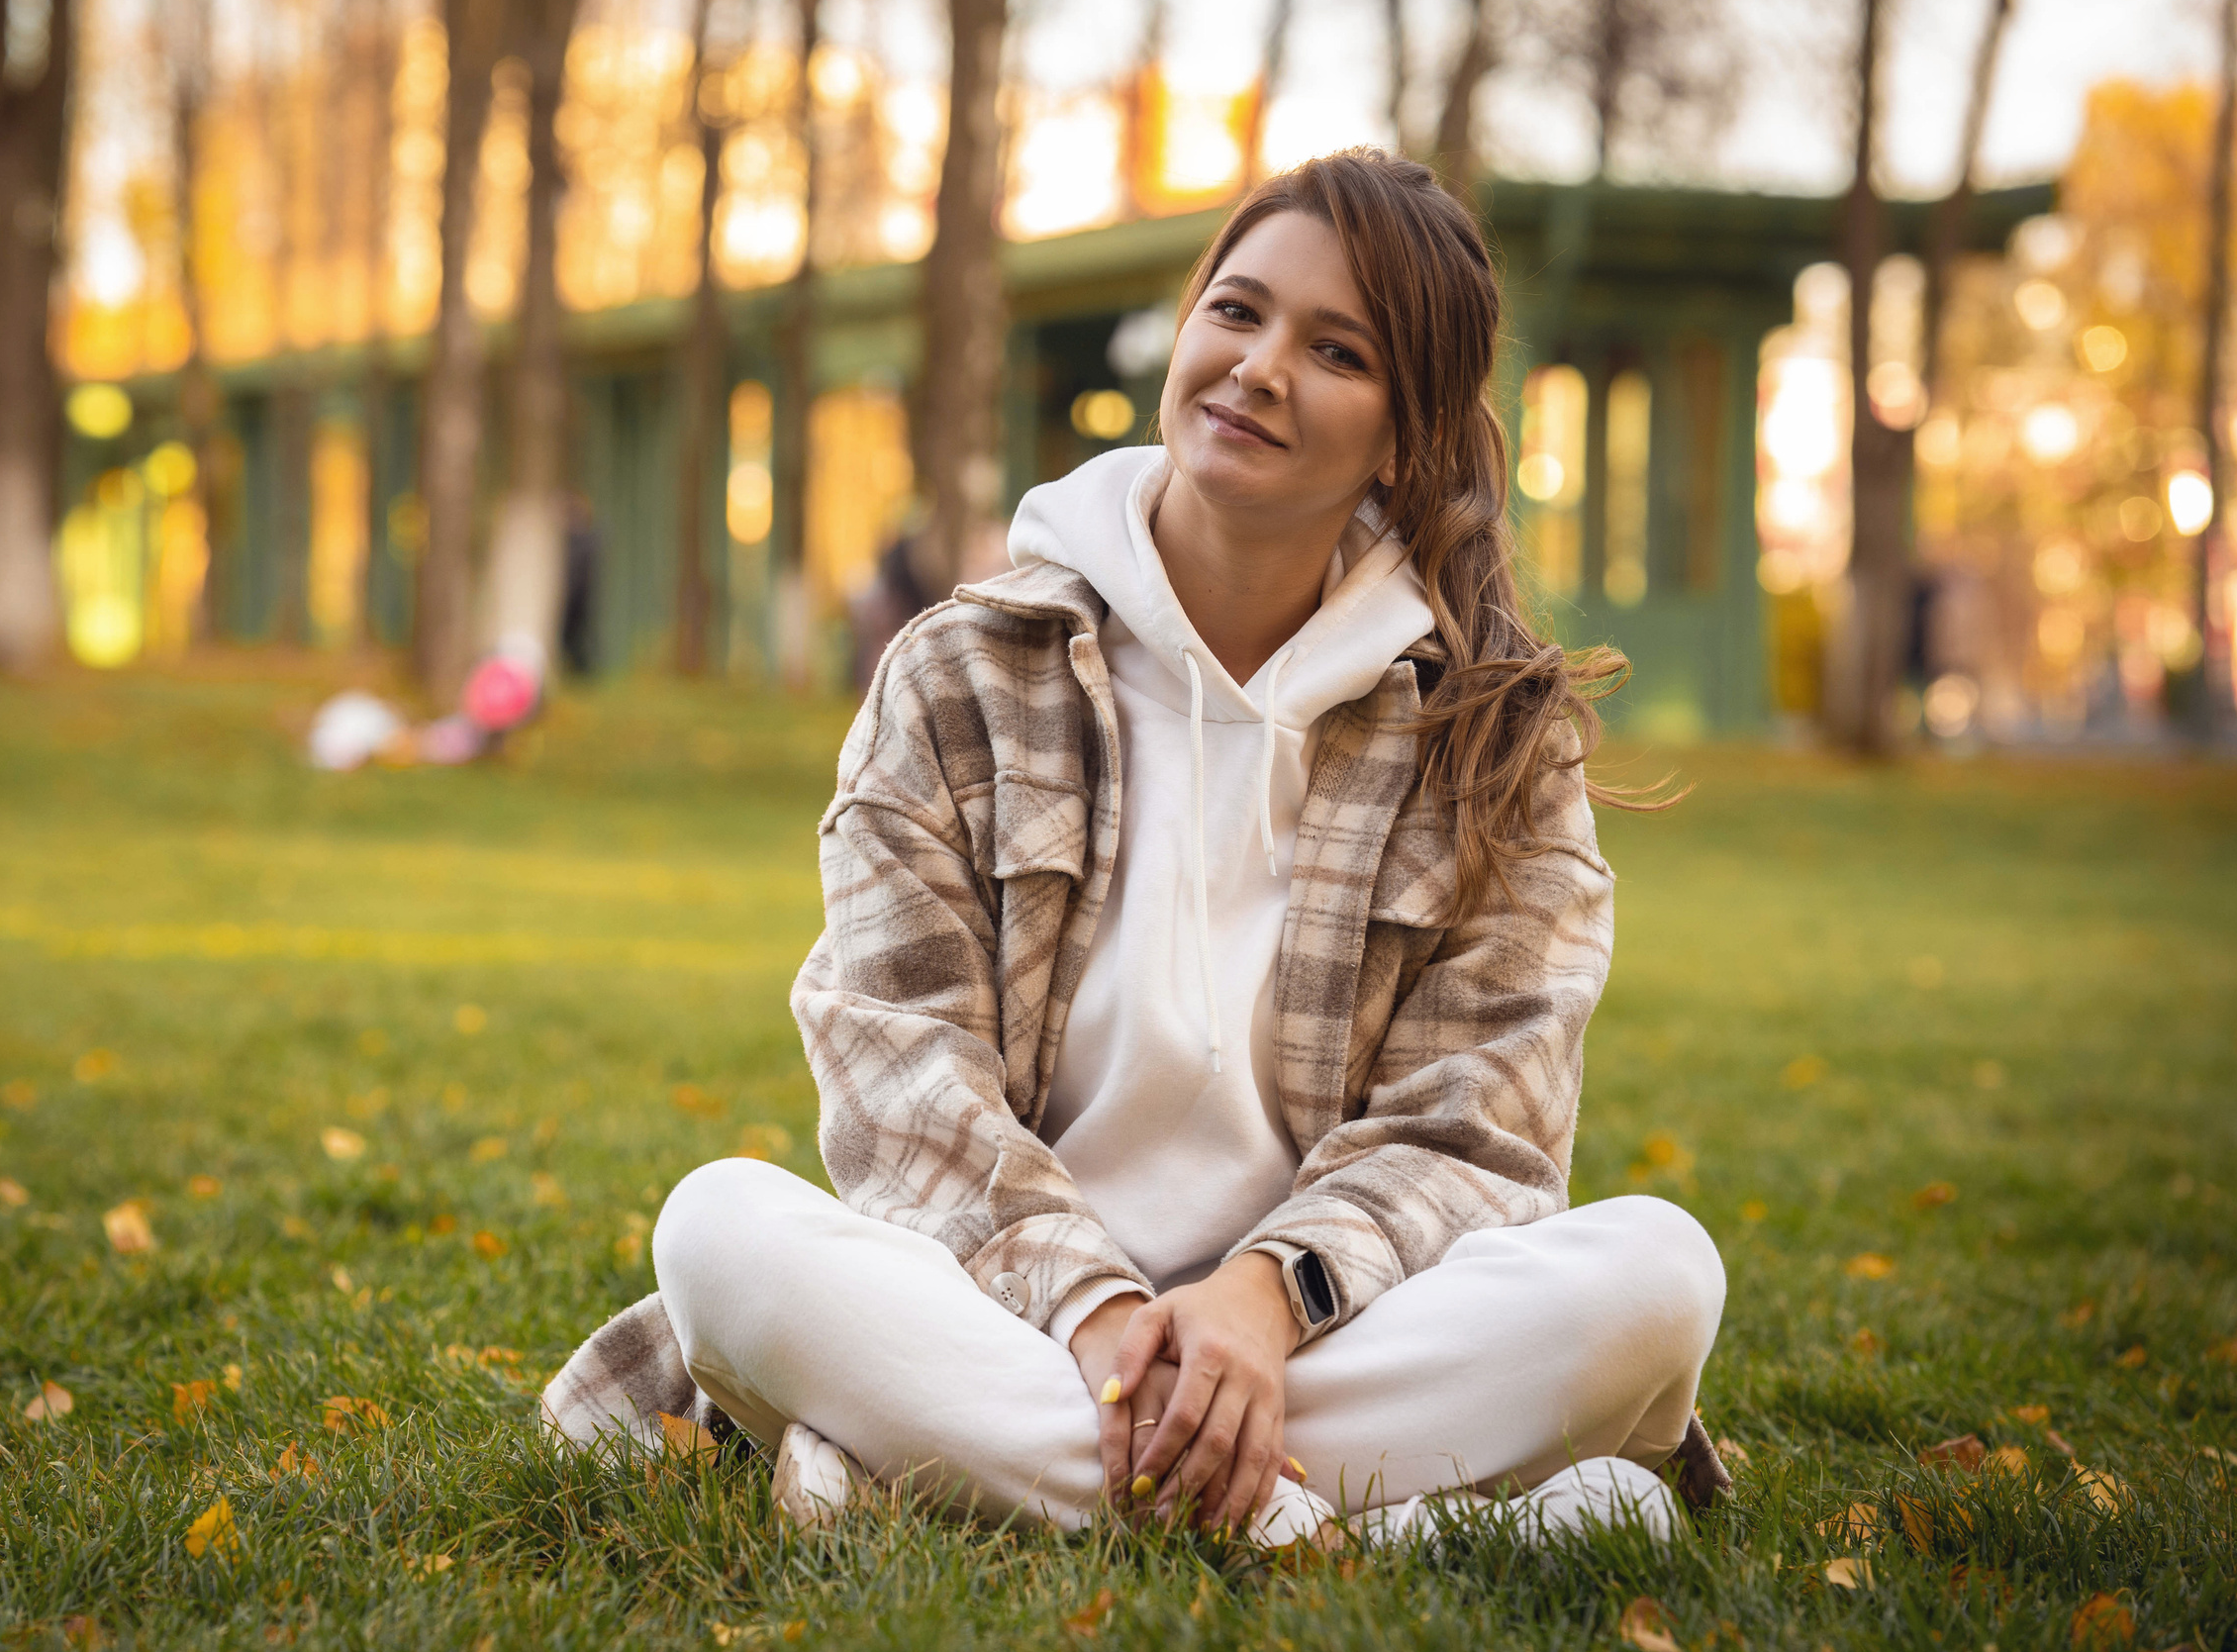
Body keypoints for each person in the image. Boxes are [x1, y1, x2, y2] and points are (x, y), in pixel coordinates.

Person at [543, 148, 1729, 1550]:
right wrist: (1101, 1311)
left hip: (1333, 1330)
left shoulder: (1497, 736)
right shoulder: (961, 673)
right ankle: (1351, 1529)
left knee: (1659, 1273)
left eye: (1334, 349)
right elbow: (897, 1066)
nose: (1260, 367)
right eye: (1237, 312)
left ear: (1406, 433)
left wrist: (1263, 1300)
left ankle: (963, 1474)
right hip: (1008, 1312)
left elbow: (1477, 1132)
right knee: (719, 1229)